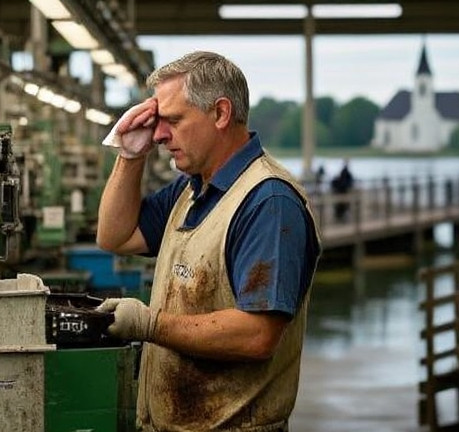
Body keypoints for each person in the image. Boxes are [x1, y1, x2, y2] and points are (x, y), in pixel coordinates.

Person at [95, 51, 321, 431]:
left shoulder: (268, 202)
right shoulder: (190, 190)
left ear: (220, 113)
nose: (160, 135)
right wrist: (130, 156)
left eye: (173, 120)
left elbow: (257, 335)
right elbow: (114, 236)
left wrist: (150, 326)